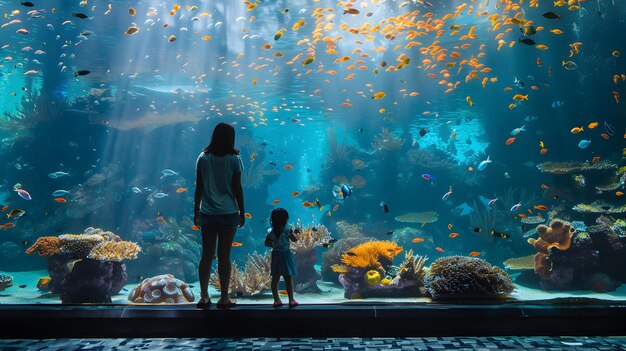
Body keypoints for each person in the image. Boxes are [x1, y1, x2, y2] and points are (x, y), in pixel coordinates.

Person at [194, 122, 245, 309]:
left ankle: (204, 296)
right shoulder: (234, 158)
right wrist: (242, 211)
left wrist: (196, 212)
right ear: (230, 138)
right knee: (224, 256)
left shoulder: (203, 157)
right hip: (228, 211)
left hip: (207, 212)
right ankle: (224, 298)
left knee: (206, 255)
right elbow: (237, 187)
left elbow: (198, 187)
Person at [264, 208, 299, 308]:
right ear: (286, 219)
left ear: (272, 220)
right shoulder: (288, 229)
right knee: (288, 277)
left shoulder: (270, 231)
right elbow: (295, 240)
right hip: (286, 254)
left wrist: (275, 243)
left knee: (275, 278)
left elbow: (266, 243)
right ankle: (291, 300)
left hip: (276, 254)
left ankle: (276, 300)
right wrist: (296, 233)